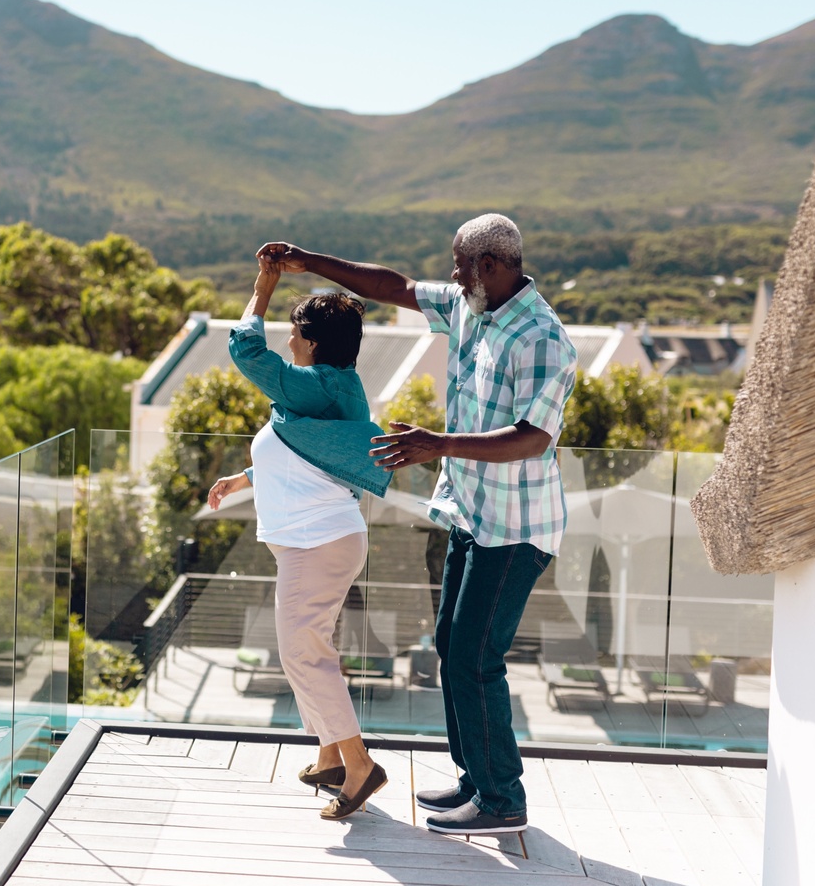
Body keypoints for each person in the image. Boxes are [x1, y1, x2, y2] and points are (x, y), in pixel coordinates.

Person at [258, 213, 577, 837]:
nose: (453, 276)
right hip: (470, 511)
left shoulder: (542, 338)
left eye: (461, 265)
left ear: (490, 265)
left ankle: (502, 800)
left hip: (514, 526)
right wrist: (308, 259)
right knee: (451, 649)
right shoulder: (471, 305)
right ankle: (474, 779)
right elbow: (394, 287)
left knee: (474, 657)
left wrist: (438, 444)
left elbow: (534, 438)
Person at [206, 261, 392, 820]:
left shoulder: (320, 387)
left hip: (319, 543)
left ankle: (358, 765)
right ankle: (331, 754)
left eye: (293, 332)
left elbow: (245, 353)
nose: (287, 340)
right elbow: (309, 458)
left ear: (311, 342)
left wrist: (262, 288)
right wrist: (245, 478)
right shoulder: (326, 391)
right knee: (309, 651)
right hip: (317, 541)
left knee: (302, 654)